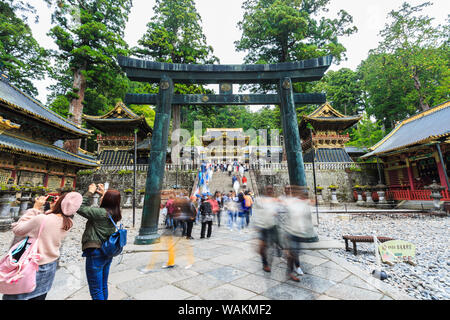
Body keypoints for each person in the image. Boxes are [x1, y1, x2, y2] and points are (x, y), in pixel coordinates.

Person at [3, 192, 83, 300]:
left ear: (60, 203)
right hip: (50, 267)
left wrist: (35, 208)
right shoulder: (68, 223)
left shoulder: (42, 219)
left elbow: (18, 230)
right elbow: (50, 221)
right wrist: (54, 208)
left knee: (15, 296)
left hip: (31, 266)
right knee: (39, 296)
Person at [77, 183, 122, 300]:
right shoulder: (116, 212)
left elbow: (80, 207)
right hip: (107, 252)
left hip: (96, 252)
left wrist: (90, 192)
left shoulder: (100, 213)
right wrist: (104, 192)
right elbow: (110, 201)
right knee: (103, 285)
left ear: (106, 201)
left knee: (96, 290)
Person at [280, 185, 319, 282]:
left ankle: (292, 270)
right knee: (294, 252)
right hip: (290, 231)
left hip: (298, 232)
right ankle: (293, 270)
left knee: (294, 252)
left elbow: (312, 203)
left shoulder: (299, 202)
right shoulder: (288, 201)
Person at [252, 186, 281, 273]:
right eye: (268, 189)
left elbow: (277, 212)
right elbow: (254, 212)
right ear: (265, 190)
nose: (269, 191)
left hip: (272, 226)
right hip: (262, 226)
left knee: (276, 242)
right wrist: (256, 225)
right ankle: (265, 264)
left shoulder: (274, 201)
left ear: (273, 191)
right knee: (262, 247)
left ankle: (277, 247)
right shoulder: (259, 200)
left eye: (271, 189)